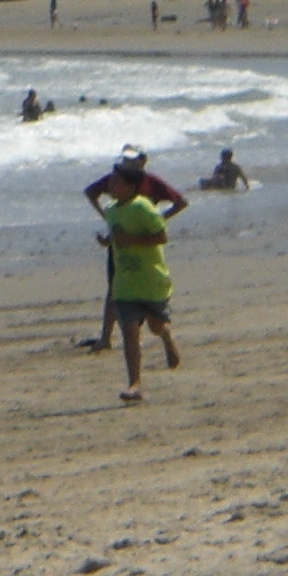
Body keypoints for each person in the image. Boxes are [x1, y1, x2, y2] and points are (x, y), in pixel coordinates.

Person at [83, 150, 187, 351]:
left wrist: (158, 220)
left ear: (143, 161)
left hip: (147, 253)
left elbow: (180, 202)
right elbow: (91, 192)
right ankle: (106, 337)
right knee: (115, 290)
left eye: (134, 160)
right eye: (126, 160)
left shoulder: (150, 182)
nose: (129, 164)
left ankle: (164, 335)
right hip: (120, 249)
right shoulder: (117, 180)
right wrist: (108, 221)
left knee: (153, 315)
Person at [96, 167, 181, 402]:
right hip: (125, 283)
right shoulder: (111, 210)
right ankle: (134, 384)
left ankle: (166, 336)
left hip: (151, 280)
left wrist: (130, 240)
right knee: (130, 331)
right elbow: (117, 237)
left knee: (155, 326)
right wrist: (108, 241)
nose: (110, 186)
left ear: (130, 187)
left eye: (115, 182)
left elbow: (161, 237)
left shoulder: (143, 208)